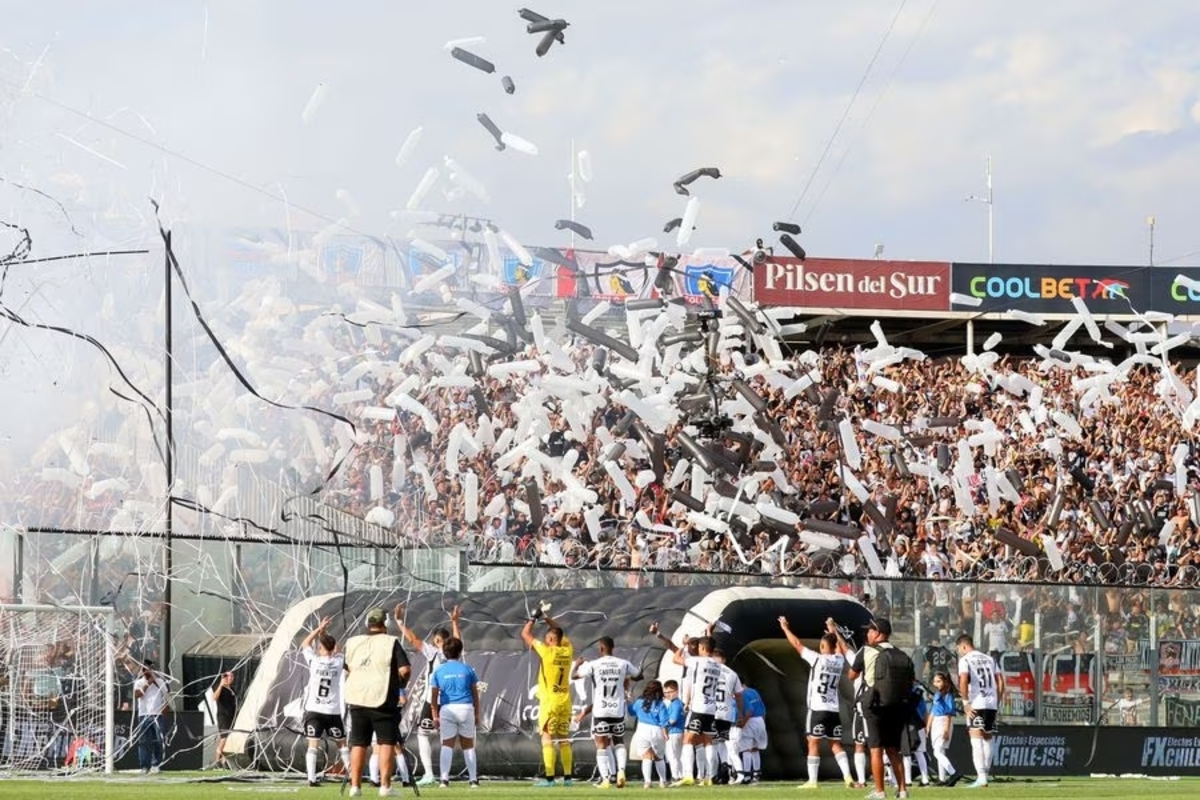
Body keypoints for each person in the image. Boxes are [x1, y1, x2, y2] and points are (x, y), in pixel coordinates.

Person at [343, 606, 412, 798]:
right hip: (383, 699)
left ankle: (355, 787)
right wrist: (400, 686)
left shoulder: (352, 642)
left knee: (358, 743)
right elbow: (405, 670)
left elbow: (347, 670)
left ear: (368, 623)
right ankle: (385, 786)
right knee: (386, 742)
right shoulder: (391, 642)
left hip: (357, 699)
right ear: (385, 624)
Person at [779, 616, 854, 789]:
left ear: (822, 646)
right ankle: (848, 777)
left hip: (817, 708)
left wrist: (785, 628)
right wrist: (833, 630)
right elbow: (843, 648)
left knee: (813, 742)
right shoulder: (839, 661)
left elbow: (797, 644)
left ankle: (812, 781)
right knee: (835, 744)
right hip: (833, 709)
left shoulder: (817, 659)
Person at [848, 619, 915, 800]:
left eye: (869, 631)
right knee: (893, 750)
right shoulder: (900, 653)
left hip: (874, 704)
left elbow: (851, 675)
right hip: (896, 706)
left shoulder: (866, 650)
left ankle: (880, 791)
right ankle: (902, 790)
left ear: (877, 633)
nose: (867, 634)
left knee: (876, 749)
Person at [397, 604, 462, 785]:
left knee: (423, 734)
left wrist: (400, 622)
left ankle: (429, 774)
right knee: (445, 738)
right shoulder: (453, 654)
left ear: (439, 641)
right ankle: (444, 776)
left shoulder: (433, 652)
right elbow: (457, 640)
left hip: (432, 699)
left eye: (436, 640)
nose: (434, 643)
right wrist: (455, 622)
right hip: (449, 700)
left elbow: (413, 639)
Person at [571, 636, 640, 788]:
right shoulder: (623, 663)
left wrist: (576, 665)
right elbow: (639, 675)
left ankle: (606, 780)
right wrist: (626, 678)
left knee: (601, 745)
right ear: (612, 647)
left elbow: (573, 676)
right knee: (619, 741)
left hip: (601, 710)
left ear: (601, 648)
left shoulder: (594, 665)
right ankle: (621, 771)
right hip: (617, 710)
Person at [521, 604, 575, 787]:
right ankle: (568, 778)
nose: (544, 639)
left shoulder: (547, 651)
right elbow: (559, 631)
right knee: (564, 738)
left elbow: (525, 635)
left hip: (549, 701)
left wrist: (534, 618)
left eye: (547, 637)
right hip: (565, 701)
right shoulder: (568, 650)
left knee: (547, 737)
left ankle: (550, 778)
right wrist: (546, 618)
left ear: (551, 639)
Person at [298, 616, 350, 787]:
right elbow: (336, 649)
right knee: (342, 745)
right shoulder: (338, 661)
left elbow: (305, 643)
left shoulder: (315, 661)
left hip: (314, 710)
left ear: (320, 648)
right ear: (333, 648)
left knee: (313, 745)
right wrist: (325, 634)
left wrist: (319, 629)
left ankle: (311, 778)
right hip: (332, 711)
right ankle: (350, 775)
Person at [429, 636, 480, 788]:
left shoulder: (438, 671)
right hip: (466, 707)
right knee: (468, 745)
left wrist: (434, 715)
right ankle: (473, 780)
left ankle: (444, 780)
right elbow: (475, 694)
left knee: (447, 744)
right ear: (460, 652)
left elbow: (433, 696)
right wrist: (477, 713)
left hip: (447, 708)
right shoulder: (467, 669)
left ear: (444, 653)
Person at [956, 633, 1003, 789]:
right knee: (988, 737)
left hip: (976, 702)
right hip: (991, 703)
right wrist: (997, 699)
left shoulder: (965, 660)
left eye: (959, 649)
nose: (960, 652)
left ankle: (981, 777)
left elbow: (963, 679)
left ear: (963, 646)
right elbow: (1001, 681)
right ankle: (985, 774)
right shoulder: (990, 659)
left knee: (976, 738)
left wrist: (965, 702)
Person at [673, 635, 722, 787]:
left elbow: (676, 659)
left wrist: (684, 645)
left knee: (688, 740)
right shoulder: (717, 665)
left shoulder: (696, 661)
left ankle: (688, 775)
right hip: (711, 708)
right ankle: (709, 776)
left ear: (702, 648)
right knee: (708, 742)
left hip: (699, 706)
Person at [709, 648, 744, 785]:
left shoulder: (708, 670)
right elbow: (739, 695)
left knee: (714, 744)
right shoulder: (732, 674)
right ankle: (727, 772)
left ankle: (718, 773)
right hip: (727, 713)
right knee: (725, 744)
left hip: (712, 711)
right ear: (724, 659)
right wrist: (740, 713)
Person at [627, 680, 670, 789]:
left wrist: (629, 700)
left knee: (646, 757)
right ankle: (663, 781)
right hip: (656, 730)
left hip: (642, 729)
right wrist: (665, 733)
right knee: (659, 757)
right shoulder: (660, 704)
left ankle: (647, 782)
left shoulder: (639, 702)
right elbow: (664, 721)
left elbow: (632, 712)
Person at [132, 659, 170, 774]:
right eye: (144, 669)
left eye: (148, 669)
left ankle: (156, 764)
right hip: (144, 714)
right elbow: (137, 695)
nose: (146, 672)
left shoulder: (160, 681)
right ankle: (144, 766)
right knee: (144, 741)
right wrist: (148, 683)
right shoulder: (139, 682)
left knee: (158, 740)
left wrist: (155, 681)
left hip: (157, 714)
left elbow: (166, 694)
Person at [927, 671, 960, 786]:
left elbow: (948, 713)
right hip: (936, 722)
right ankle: (942, 778)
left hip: (943, 722)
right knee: (940, 751)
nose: (936, 684)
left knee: (937, 752)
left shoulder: (948, 695)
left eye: (939, 681)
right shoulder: (937, 694)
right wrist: (928, 725)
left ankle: (954, 772)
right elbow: (933, 711)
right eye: (935, 681)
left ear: (945, 681)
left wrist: (946, 729)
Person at [735, 681, 767, 784]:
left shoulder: (742, 693)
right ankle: (756, 774)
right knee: (755, 748)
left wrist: (743, 723)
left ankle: (747, 775)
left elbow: (750, 710)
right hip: (760, 720)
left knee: (746, 749)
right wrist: (763, 722)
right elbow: (763, 707)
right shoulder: (754, 691)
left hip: (750, 720)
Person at [211, 671, 237, 770]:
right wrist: (221, 685)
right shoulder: (220, 687)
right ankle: (217, 760)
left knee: (228, 738)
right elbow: (214, 698)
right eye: (228, 676)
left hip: (231, 716)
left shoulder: (232, 689)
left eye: (232, 676)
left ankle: (224, 761)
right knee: (224, 738)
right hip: (223, 716)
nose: (230, 678)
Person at [662, 679, 685, 781]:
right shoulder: (679, 703)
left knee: (672, 756)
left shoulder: (675, 704)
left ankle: (675, 776)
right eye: (666, 692)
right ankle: (680, 775)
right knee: (679, 756)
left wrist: (663, 725)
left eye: (670, 692)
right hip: (680, 732)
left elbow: (673, 720)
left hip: (674, 732)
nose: (668, 694)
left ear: (676, 691)